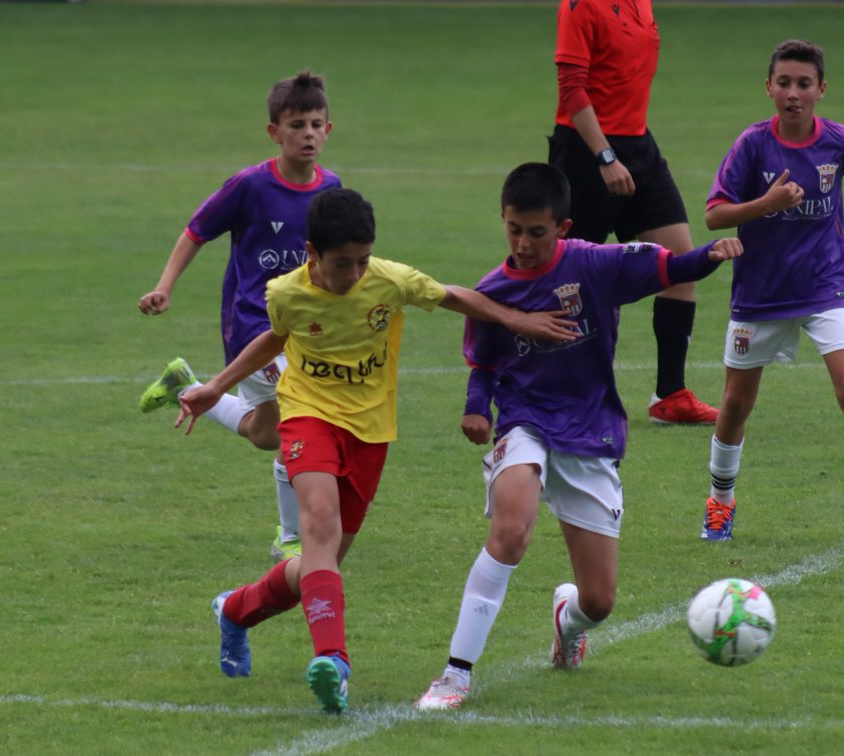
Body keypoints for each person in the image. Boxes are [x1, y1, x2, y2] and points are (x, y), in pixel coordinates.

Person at [178, 187, 581, 714]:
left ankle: (234, 609)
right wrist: (217, 385)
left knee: (321, 568)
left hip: (369, 432)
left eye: (362, 261)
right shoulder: (284, 292)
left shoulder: (388, 281)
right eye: (342, 264)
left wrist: (517, 320)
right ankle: (334, 664)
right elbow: (276, 338)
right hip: (306, 416)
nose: (354, 274)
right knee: (317, 530)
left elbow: (454, 296)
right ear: (311, 254)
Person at [417, 163, 742, 710]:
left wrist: (709, 256)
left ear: (562, 226)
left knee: (599, 600)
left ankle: (568, 623)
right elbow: (484, 364)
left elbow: (668, 268)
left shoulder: (594, 264)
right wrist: (476, 409)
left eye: (536, 232)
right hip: (526, 421)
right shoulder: (493, 291)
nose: (522, 243)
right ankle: (455, 675)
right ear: (503, 219)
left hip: (590, 431)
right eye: (514, 229)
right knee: (512, 529)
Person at [697, 39, 844, 556]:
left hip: (825, 283)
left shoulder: (840, 141)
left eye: (804, 84)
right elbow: (714, 216)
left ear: (820, 90)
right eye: (784, 83)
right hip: (761, 292)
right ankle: (719, 502)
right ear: (768, 87)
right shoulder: (751, 145)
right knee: (735, 404)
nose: (793, 93)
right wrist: (766, 203)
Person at [137, 70, 340, 562]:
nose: (308, 134)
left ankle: (188, 386)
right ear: (275, 132)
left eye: (316, 124)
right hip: (254, 325)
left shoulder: (331, 189)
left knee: (265, 433)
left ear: (328, 129)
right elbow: (196, 231)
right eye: (297, 125)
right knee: (298, 421)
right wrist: (165, 286)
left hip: (305, 331)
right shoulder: (249, 186)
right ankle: (291, 537)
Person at [548, 0, 719, 425]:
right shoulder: (579, 5)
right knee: (570, 282)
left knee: (680, 267)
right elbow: (571, 87)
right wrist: (605, 156)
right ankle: (566, 391)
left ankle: (670, 394)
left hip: (640, 147)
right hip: (587, 154)